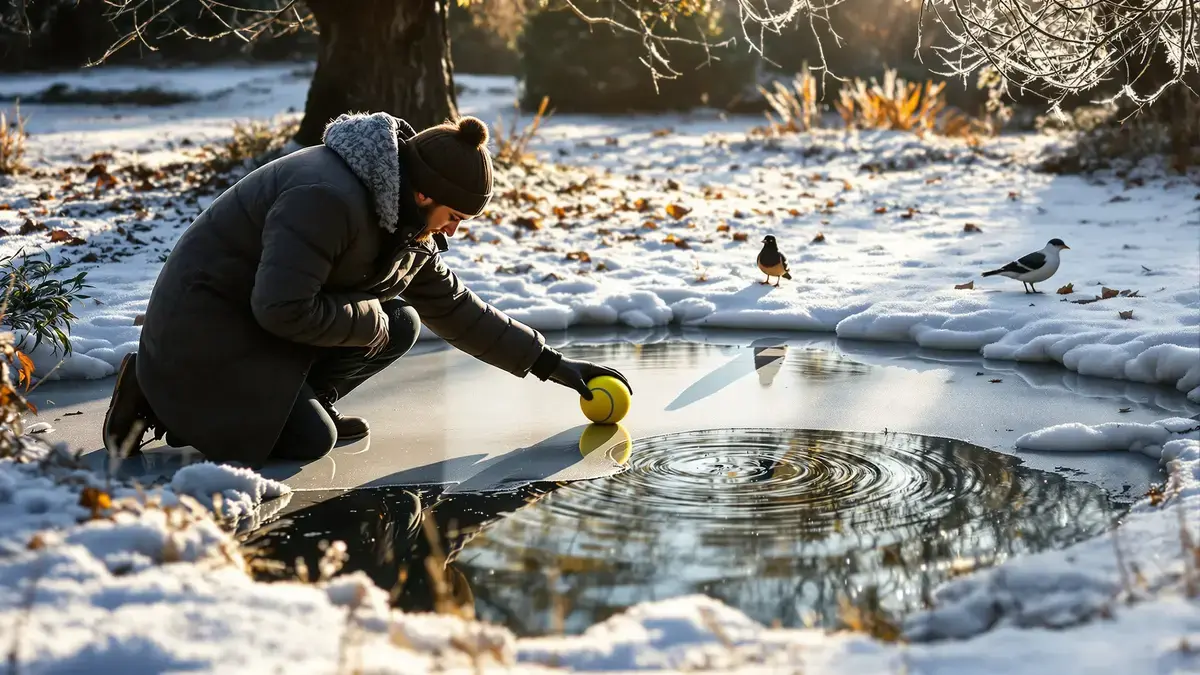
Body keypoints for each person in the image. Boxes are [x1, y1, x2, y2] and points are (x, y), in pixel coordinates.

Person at [101, 113, 631, 469]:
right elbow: (280, 307)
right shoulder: (326, 199)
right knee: (313, 440)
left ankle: (303, 401)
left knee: (404, 322)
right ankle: (151, 389)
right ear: (426, 194)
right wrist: (366, 323)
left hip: (258, 324)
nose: (453, 231)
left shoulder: (399, 214)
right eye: (454, 217)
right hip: (205, 329)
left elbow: (457, 308)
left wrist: (556, 366)